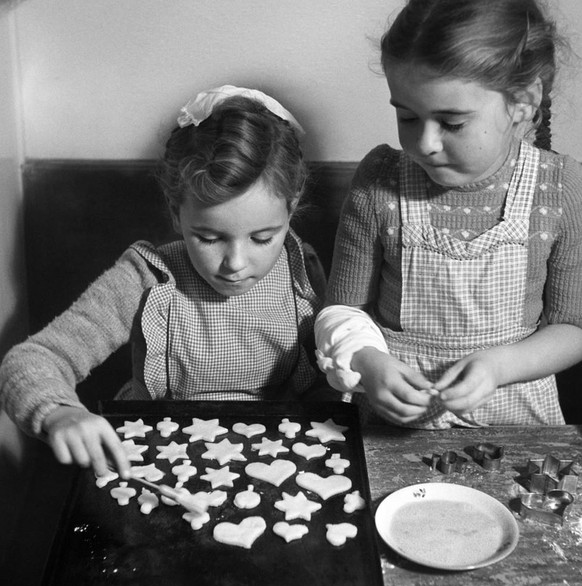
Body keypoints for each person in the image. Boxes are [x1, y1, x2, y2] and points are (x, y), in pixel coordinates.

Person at [0, 85, 326, 477]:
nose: (235, 264)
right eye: (208, 237)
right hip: (155, 465)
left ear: (291, 209)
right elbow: (31, 360)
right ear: (176, 212)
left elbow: (326, 381)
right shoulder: (146, 278)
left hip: (272, 464)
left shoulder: (302, 272)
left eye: (262, 238)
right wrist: (58, 413)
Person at [315, 0, 582, 429]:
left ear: (523, 101)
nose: (425, 143)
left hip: (515, 425)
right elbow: (342, 310)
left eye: (452, 122)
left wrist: (499, 366)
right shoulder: (379, 182)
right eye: (406, 116)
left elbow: (574, 327)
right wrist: (366, 361)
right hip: (396, 426)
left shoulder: (560, 188)